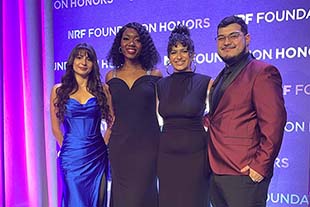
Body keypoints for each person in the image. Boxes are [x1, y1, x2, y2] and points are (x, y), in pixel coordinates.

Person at [204, 15, 287, 207]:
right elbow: (220, 117)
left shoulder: (263, 72)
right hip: (217, 171)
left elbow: (274, 123)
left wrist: (260, 166)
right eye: (221, 38)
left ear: (247, 39)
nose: (226, 42)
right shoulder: (220, 76)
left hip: (245, 173)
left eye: (233, 36)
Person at [105, 22, 162, 207]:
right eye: (127, 38)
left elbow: (164, 110)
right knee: (123, 198)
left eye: (137, 40)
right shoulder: (110, 76)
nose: (132, 43)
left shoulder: (155, 74)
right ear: (119, 45)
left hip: (148, 146)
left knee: (143, 196)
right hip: (120, 147)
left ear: (144, 45)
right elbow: (110, 115)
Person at [156, 25, 212, 207]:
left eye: (183, 51)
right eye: (173, 52)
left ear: (192, 54)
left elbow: (214, 121)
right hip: (166, 156)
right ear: (169, 57)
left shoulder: (206, 82)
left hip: (195, 155)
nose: (178, 57)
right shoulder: (160, 85)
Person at [50, 43, 112, 207]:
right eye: (79, 57)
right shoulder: (58, 90)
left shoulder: (103, 90)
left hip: (97, 155)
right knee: (74, 200)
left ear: (93, 64)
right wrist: (69, 148)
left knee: (96, 200)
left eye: (88, 58)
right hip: (71, 157)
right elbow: (55, 128)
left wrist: (103, 144)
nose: (83, 62)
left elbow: (112, 121)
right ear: (72, 61)